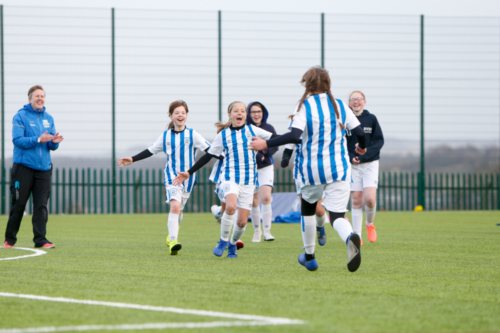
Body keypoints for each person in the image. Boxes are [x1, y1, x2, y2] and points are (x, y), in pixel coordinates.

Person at [249, 66, 367, 272]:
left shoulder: (304, 105)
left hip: (312, 171)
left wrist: (265, 144)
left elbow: (294, 136)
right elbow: (359, 132)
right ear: (328, 84)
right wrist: (362, 147)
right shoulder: (339, 105)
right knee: (337, 216)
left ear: (307, 85)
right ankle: (350, 237)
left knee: (308, 211)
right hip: (339, 168)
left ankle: (310, 256)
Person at [173, 101, 273, 259]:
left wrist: (296, 138)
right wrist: (189, 172)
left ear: (245, 115)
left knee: (241, 223)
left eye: (242, 111)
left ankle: (232, 243)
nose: (239, 113)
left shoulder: (252, 130)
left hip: (248, 181)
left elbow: (275, 138)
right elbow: (208, 155)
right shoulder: (223, 135)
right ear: (230, 114)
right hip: (229, 177)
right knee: (231, 207)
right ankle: (223, 241)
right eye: (236, 111)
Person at [117, 100, 210, 255]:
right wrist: (132, 159)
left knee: (179, 210)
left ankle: (171, 237)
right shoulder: (166, 136)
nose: (180, 115)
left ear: (186, 116)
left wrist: (225, 157)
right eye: (177, 113)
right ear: (171, 116)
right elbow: (151, 150)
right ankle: (174, 241)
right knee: (174, 206)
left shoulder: (193, 134)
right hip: (172, 177)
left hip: (188, 179)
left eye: (183, 113)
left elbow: (210, 150)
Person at [3, 85, 64, 249]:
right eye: (37, 96)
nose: (40, 99)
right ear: (30, 99)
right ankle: (9, 240)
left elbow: (50, 145)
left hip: (44, 169)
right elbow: (17, 140)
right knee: (18, 203)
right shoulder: (20, 117)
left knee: (41, 206)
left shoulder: (48, 118)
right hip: (22, 169)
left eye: (42, 96)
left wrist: (54, 143)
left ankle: (41, 240)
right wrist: (38, 139)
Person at [346, 91, 384, 244]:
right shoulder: (345, 120)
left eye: (359, 99)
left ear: (364, 102)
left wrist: (363, 156)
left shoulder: (371, 118)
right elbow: (340, 143)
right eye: (353, 100)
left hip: (370, 164)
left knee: (369, 199)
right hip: (353, 165)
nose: (356, 102)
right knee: (356, 200)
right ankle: (357, 236)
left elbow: (379, 142)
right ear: (349, 103)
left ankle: (369, 224)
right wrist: (350, 157)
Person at [281, 143, 329, 246]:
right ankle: (308, 243)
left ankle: (320, 227)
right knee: (306, 207)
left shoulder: (323, 128)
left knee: (319, 211)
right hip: (301, 172)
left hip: (319, 171)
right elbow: (289, 144)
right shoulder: (298, 128)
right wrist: (285, 158)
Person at [246, 101, 278, 242]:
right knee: (254, 201)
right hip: (250, 168)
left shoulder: (268, 128)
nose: (256, 114)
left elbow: (276, 143)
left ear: (263, 113)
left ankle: (267, 232)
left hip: (266, 167)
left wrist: (265, 151)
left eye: (258, 111)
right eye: (253, 112)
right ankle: (256, 232)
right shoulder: (245, 128)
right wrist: (258, 154)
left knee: (266, 197)